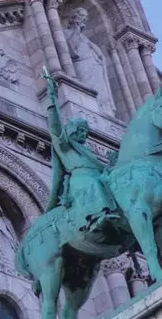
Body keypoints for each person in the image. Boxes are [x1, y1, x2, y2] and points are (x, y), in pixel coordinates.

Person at [45, 73, 116, 232]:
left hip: (96, 176)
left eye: (86, 131)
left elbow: (101, 169)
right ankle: (95, 219)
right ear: (72, 130)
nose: (84, 134)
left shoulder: (87, 151)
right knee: (93, 183)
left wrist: (112, 164)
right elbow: (55, 127)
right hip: (80, 180)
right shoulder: (64, 145)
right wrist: (52, 99)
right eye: (81, 130)